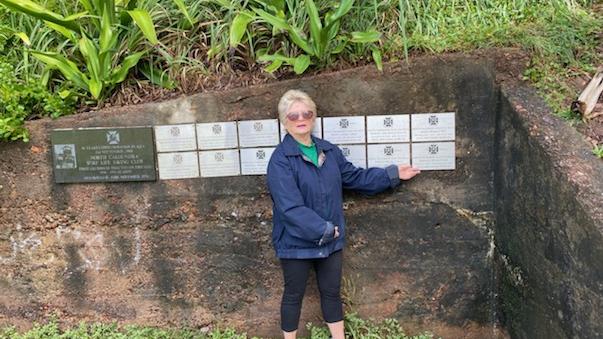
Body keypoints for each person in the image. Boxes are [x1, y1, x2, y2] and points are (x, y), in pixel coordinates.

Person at [266, 89, 421, 339]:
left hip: (331, 240)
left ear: (314, 116)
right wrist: (324, 229)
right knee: (293, 294)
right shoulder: (280, 160)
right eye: (293, 115)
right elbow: (289, 207)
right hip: (296, 242)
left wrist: (391, 174)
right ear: (284, 122)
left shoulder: (329, 151)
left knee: (331, 292)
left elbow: (354, 177)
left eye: (306, 113)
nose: (301, 118)